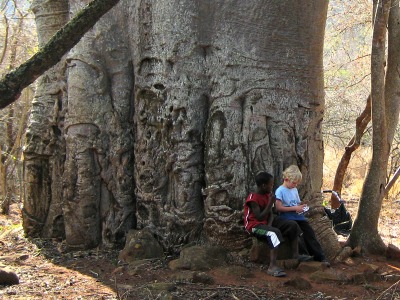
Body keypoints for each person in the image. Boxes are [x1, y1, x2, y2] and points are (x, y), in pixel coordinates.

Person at [244, 171, 312, 277]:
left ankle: (296, 255)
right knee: (274, 233)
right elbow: (259, 217)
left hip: (266, 223)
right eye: (270, 185)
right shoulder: (253, 198)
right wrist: (271, 202)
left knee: (292, 225)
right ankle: (272, 266)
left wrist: (270, 224)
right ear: (263, 186)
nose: (272, 187)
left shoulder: (268, 195)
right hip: (254, 226)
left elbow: (270, 213)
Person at [274, 165, 330, 267]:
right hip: (287, 217)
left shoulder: (294, 190)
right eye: (294, 183)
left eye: (296, 184)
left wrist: (301, 206)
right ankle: (303, 254)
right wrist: (295, 208)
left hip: (298, 216)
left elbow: (297, 203)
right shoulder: (280, 191)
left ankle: (320, 256)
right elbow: (278, 208)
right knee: (298, 233)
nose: (295, 185)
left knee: (309, 232)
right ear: (286, 179)